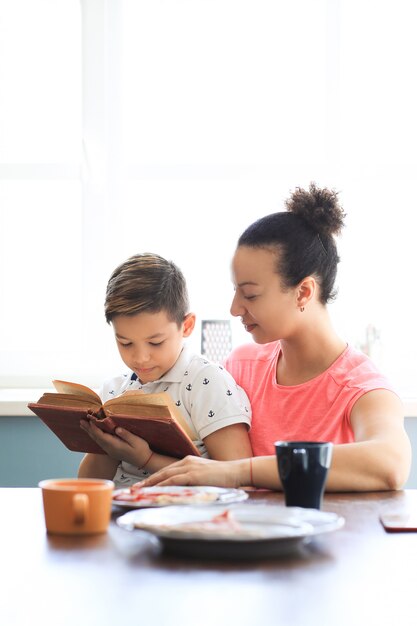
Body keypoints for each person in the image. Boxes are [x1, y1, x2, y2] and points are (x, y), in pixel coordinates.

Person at [139, 183, 412, 492]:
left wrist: (239, 472)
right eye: (235, 291)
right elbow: (205, 470)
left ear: (304, 292)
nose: (235, 308)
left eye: (250, 295)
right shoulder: (239, 366)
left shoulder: (361, 387)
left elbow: (390, 464)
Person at [78, 253, 252, 487]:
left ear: (187, 325)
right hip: (122, 512)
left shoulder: (206, 381)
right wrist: (106, 444)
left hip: (186, 515)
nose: (140, 358)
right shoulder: (115, 391)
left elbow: (238, 477)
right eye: (125, 343)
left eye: (156, 342)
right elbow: (88, 484)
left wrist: (146, 459)